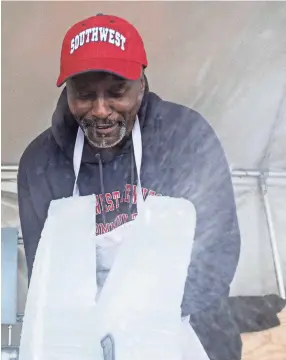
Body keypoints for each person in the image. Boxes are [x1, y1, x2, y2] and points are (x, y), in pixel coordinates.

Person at [18, 14, 242, 360]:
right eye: (85, 95)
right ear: (67, 91)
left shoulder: (185, 138)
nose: (101, 110)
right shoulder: (40, 163)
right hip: (84, 341)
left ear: (142, 83)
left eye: (117, 92)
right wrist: (94, 329)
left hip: (182, 331)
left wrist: (139, 323)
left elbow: (217, 252)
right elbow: (46, 276)